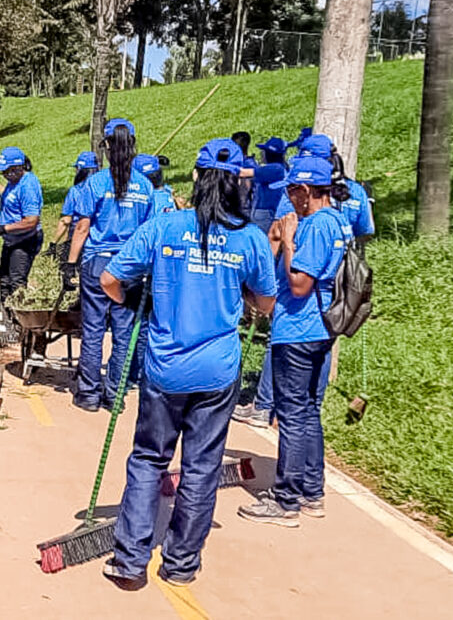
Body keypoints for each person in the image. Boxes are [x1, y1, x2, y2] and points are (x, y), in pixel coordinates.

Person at [98, 137, 277, 589]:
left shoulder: (164, 227)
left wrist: (137, 295)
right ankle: (180, 564)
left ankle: (130, 560)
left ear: (195, 178)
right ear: (238, 183)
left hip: (165, 368)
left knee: (147, 459)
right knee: (201, 468)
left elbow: (109, 280)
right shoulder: (250, 237)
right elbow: (267, 302)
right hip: (217, 371)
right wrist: (242, 293)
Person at [238, 156, 353, 527]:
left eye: (291, 191)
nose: (289, 199)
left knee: (290, 415)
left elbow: (300, 284)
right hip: (321, 328)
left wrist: (288, 242)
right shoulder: (338, 221)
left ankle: (286, 499)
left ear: (306, 191)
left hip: (299, 329)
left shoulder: (316, 227)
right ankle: (311, 491)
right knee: (306, 412)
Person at [64, 118, 154, 412]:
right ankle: (115, 394)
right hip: (129, 266)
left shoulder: (96, 182)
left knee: (92, 329)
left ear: (106, 145)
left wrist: (70, 263)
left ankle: (89, 393)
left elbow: (82, 227)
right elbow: (148, 233)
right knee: (123, 332)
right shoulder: (145, 187)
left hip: (97, 262)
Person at [0, 146, 44, 304]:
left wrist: (4, 228)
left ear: (17, 168)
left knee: (16, 282)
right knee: (4, 281)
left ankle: (21, 320)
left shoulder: (27, 186)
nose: (4, 174)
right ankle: (6, 315)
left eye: (6, 171)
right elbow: (9, 197)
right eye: (2, 172)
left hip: (25, 240)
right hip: (11, 240)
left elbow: (31, 221)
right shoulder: (13, 182)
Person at [239, 136, 288, 235]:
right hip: (266, 212)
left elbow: (243, 173)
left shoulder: (275, 169)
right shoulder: (280, 168)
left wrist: (222, 166)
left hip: (265, 214)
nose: (261, 154)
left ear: (267, 154)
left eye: (263, 151)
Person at [51, 151, 99, 251]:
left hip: (78, 235)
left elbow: (66, 220)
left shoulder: (75, 191)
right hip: (100, 237)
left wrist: (53, 243)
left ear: (80, 170)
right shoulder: (105, 187)